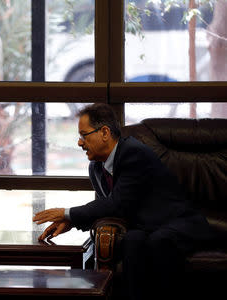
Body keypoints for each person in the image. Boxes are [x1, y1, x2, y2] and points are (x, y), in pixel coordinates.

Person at [33, 103, 211, 300]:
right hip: (148, 227)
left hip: (181, 223)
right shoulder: (97, 168)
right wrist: (72, 222)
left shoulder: (133, 153)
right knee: (132, 240)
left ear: (105, 132)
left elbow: (117, 202)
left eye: (84, 135)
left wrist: (68, 213)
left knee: (158, 241)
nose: (79, 143)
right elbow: (106, 208)